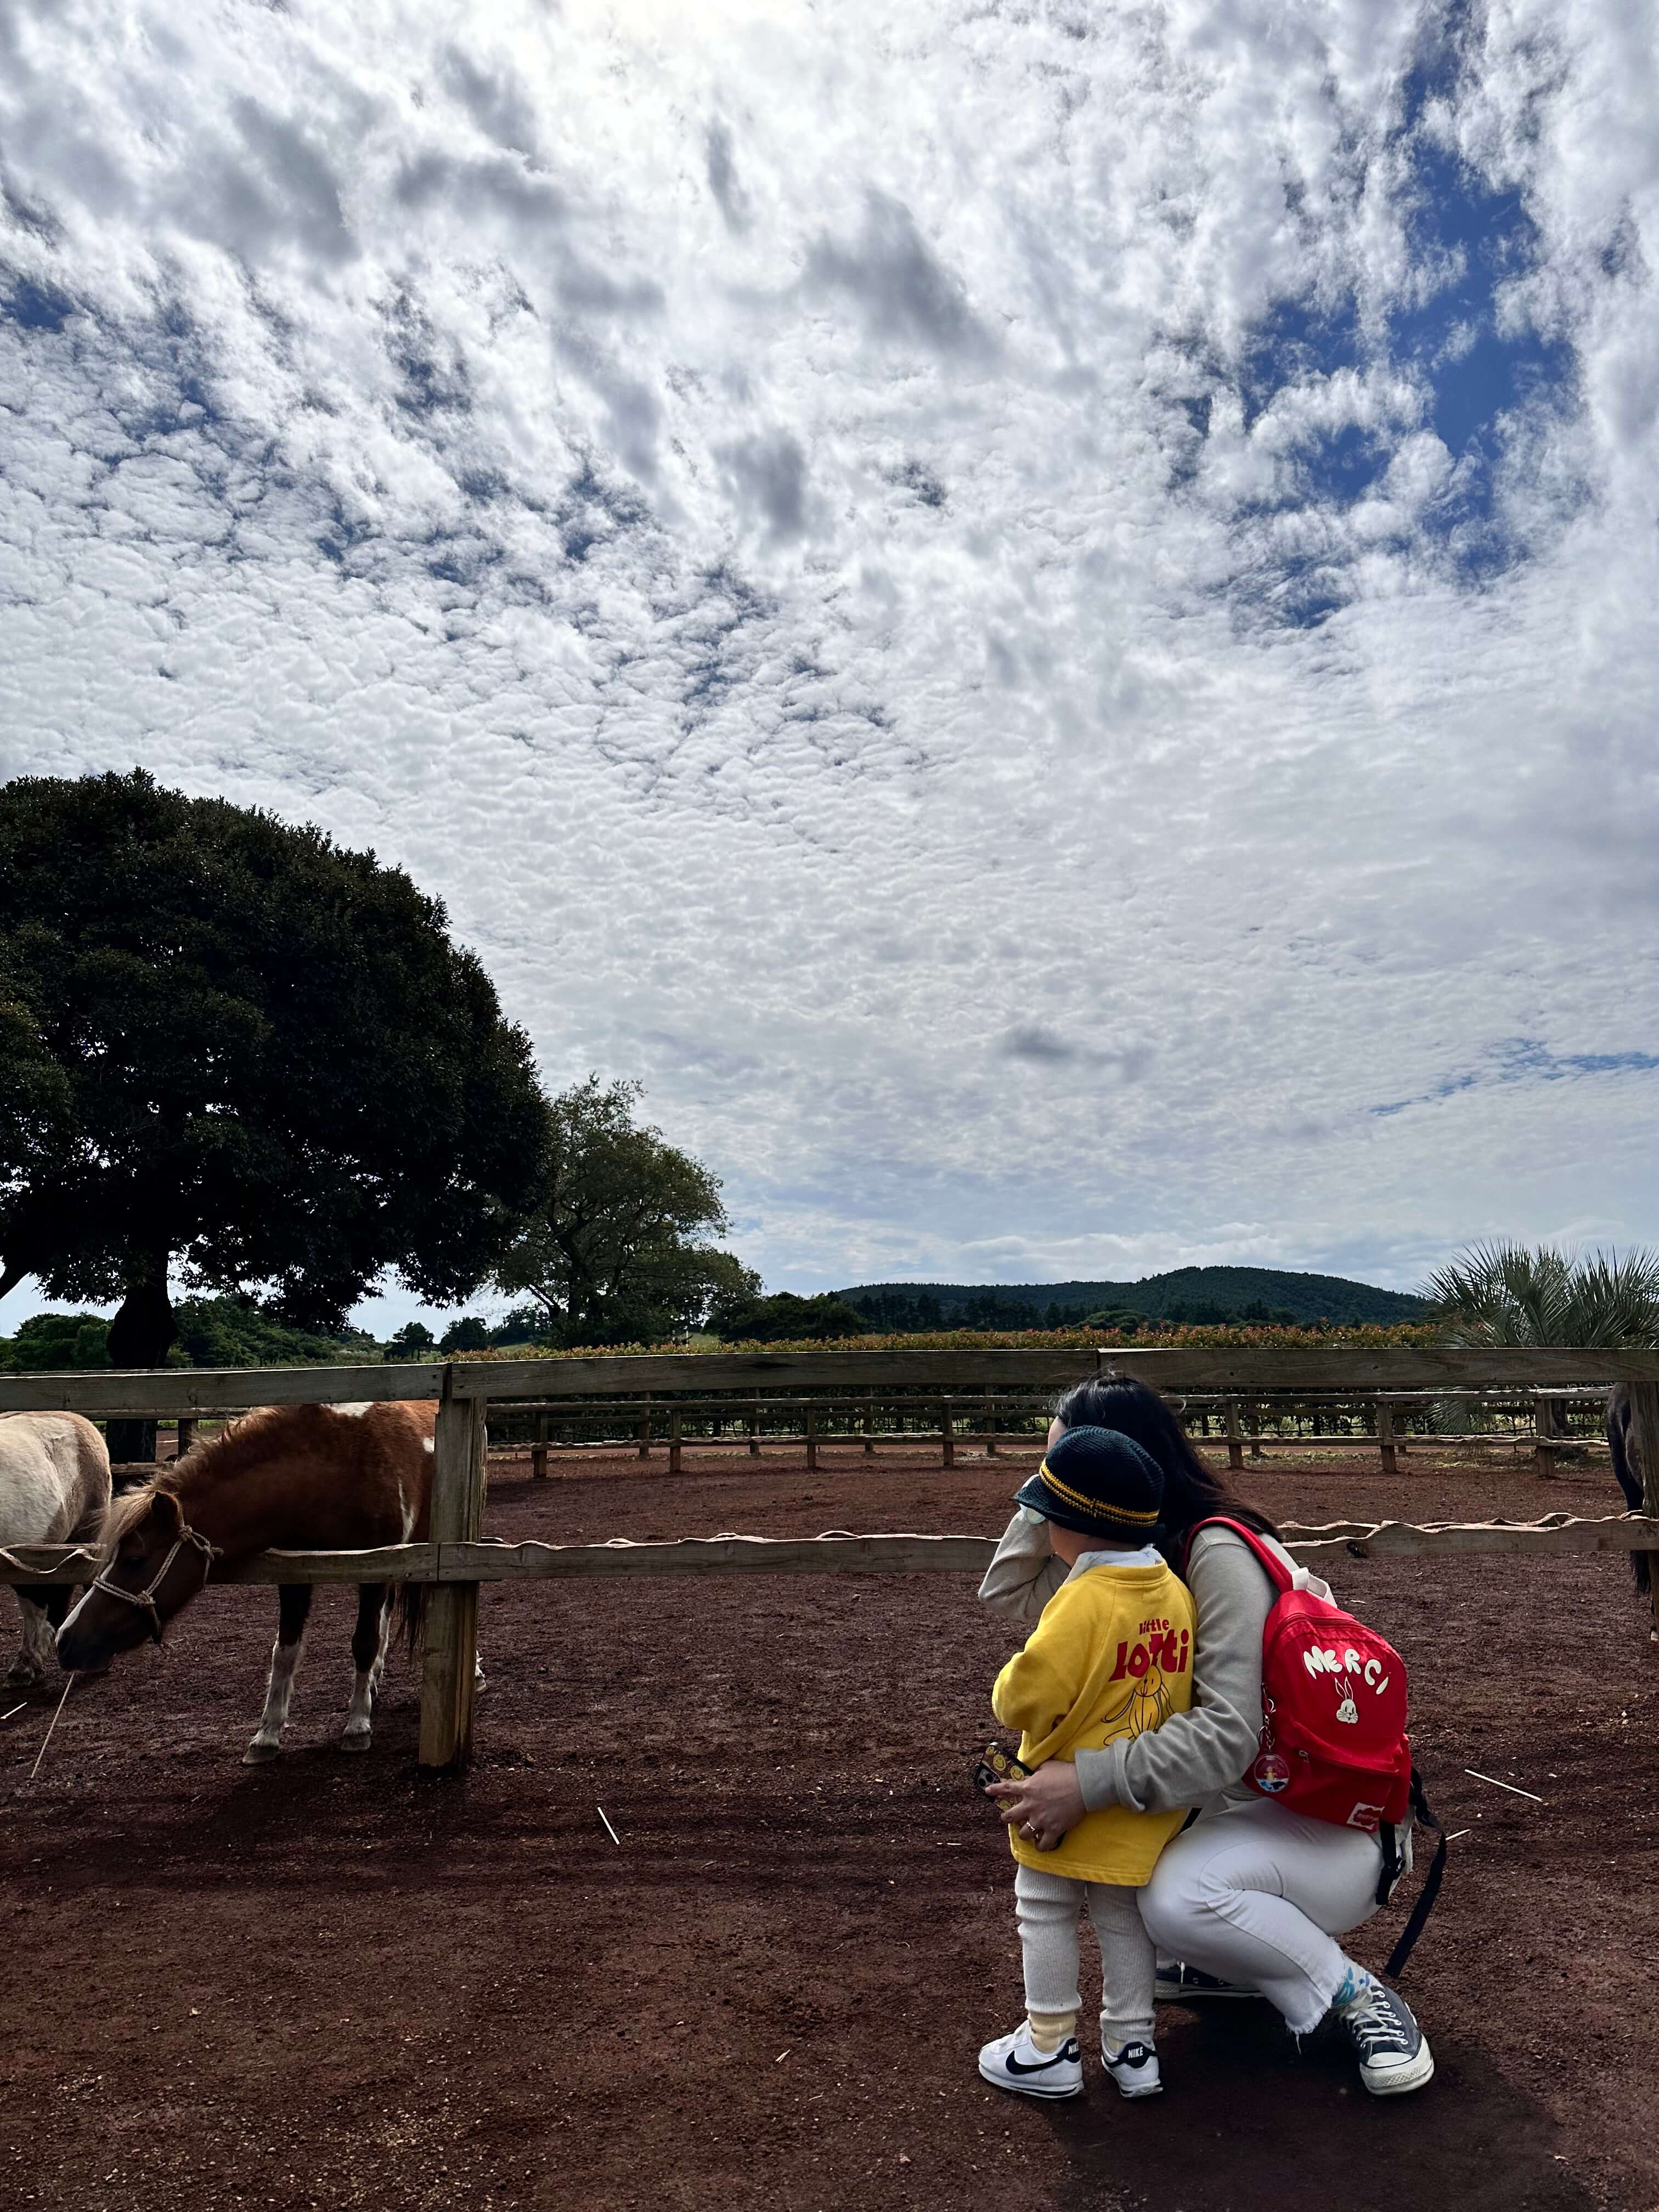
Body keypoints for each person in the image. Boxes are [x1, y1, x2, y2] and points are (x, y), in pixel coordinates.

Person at [982, 1374, 1434, 2098]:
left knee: (1170, 1896)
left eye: (1062, 1454)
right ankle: (1233, 1969)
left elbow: (1227, 1734)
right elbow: (1012, 1596)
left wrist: (1087, 1783)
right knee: (1136, 1863)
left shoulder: (1215, 1552)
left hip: (1334, 1827)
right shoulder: (1133, 1563)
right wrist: (1051, 1484)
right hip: (1264, 1806)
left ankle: (1355, 1996)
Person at [977, 1423, 1196, 2103]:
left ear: (1073, 1527)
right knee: (1124, 1920)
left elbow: (1025, 1698)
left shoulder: (1081, 1598)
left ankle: (1049, 2046)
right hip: (1139, 1799)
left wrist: (1008, 1679)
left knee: (1042, 1908)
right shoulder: (1172, 1592)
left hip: (1063, 1797)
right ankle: (1134, 2049)